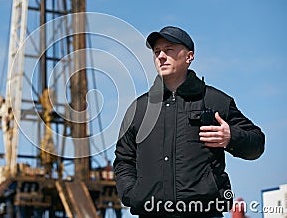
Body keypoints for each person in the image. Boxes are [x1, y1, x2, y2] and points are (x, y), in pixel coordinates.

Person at [113, 26, 265, 218]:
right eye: (157, 52)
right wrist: (132, 195)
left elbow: (257, 144)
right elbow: (124, 160)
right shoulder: (139, 109)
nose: (160, 56)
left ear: (189, 57)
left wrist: (231, 137)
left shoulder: (215, 101)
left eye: (168, 50)